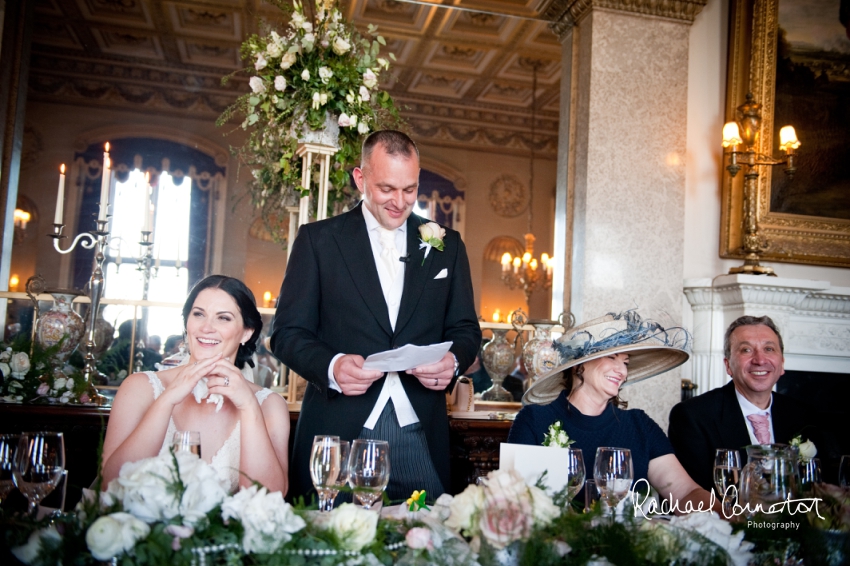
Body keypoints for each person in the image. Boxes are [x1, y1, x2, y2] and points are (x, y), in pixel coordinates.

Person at [271, 130, 481, 503]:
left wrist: (452, 361)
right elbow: (287, 332)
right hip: (339, 431)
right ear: (360, 178)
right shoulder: (318, 241)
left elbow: (465, 328)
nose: (400, 202)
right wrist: (332, 366)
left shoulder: (448, 245)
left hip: (421, 433)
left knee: (427, 548)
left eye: (410, 189)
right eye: (387, 188)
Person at [101, 275, 290, 494]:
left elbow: (269, 498)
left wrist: (249, 406)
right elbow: (111, 485)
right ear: (187, 322)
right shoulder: (140, 387)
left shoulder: (269, 405)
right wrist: (167, 399)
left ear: (247, 332)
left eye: (224, 318)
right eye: (199, 314)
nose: (207, 327)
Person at [508, 311, 712, 513]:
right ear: (579, 365)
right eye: (612, 358)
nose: (622, 371)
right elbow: (515, 503)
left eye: (625, 362)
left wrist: (731, 519)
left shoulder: (640, 425)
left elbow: (685, 492)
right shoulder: (534, 420)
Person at [668, 315, 839, 491]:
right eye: (746, 350)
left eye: (769, 349)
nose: (760, 360)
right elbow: (693, 496)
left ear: (781, 364)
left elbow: (822, 486)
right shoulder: (693, 416)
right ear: (728, 365)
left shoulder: (804, 415)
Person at [98, 320, 163, 380]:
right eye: (146, 334)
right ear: (140, 336)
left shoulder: (106, 355)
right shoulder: (152, 357)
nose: (148, 338)